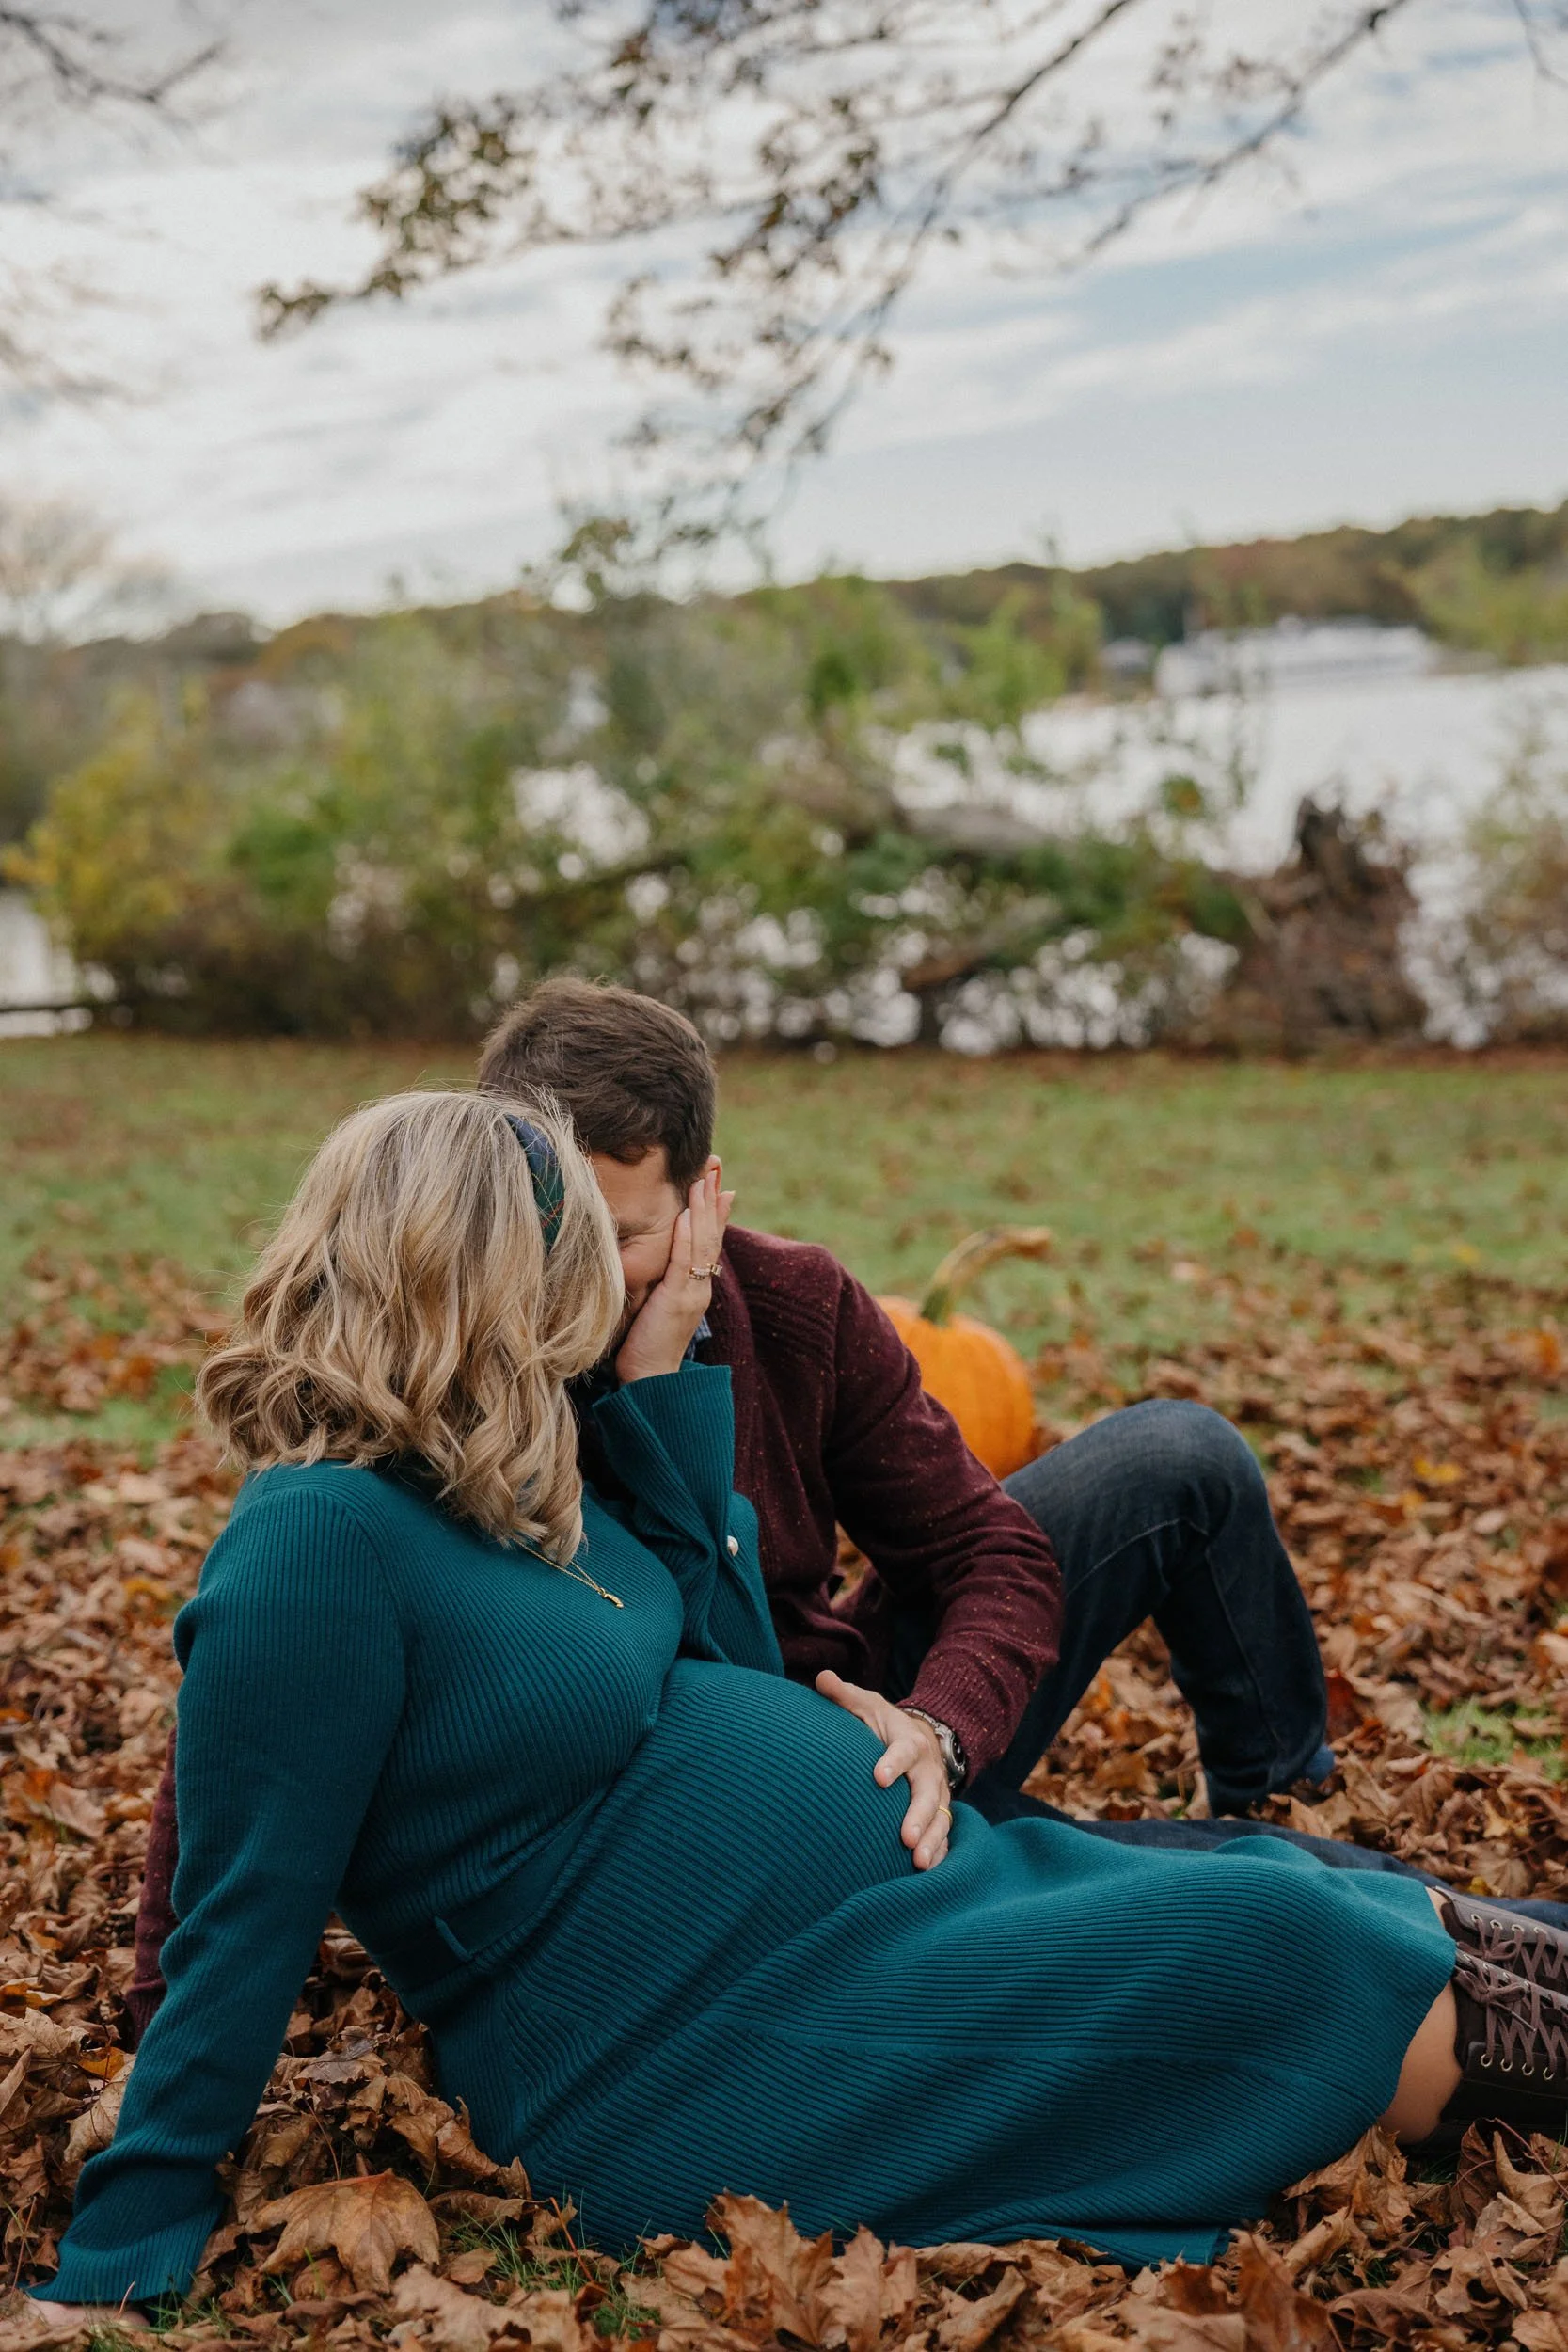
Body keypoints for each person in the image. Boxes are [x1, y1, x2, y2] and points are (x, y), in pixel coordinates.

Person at [31, 1090, 1568, 2326]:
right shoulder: (318, 1537)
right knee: (1278, 1945)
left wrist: (662, 1377)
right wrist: (132, 2232)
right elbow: (244, 1886)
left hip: (854, 1922)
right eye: (580, 1247)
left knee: (1289, 1881)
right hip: (693, 2045)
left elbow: (708, 1644)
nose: (605, 1278)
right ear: (483, 1270)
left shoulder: (507, 1479)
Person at [126, 981, 1566, 2040]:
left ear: (702, 1199)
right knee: (1241, 1902)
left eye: (617, 1235)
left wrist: (937, 1730)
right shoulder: (457, 1359)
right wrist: (155, 1995)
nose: (567, 1270)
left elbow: (990, 1552)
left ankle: (1281, 1778)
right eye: (544, 1223)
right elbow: (255, 1663)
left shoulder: (796, 1307)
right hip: (687, 1822)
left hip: (866, 1728)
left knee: (1175, 1468)